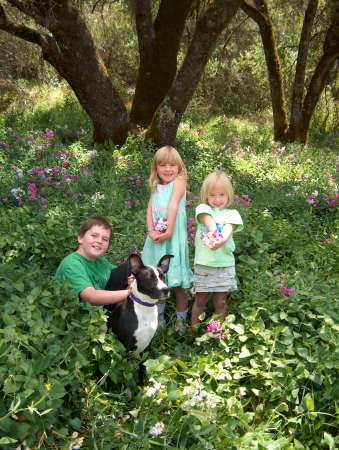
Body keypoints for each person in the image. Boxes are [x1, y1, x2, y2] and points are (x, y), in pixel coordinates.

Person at [142, 145, 193, 334]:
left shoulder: (179, 181)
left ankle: (181, 321)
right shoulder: (156, 185)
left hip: (173, 239)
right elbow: (149, 209)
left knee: (178, 284)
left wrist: (169, 231)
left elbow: (172, 206)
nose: (168, 169)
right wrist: (151, 231)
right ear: (156, 167)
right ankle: (160, 318)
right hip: (157, 238)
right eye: (163, 165)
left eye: (172, 165)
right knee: (158, 280)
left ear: (179, 167)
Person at [191, 170, 243, 328]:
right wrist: (215, 233)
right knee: (200, 301)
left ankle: (217, 332)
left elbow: (227, 230)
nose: (217, 199)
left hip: (224, 265)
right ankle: (193, 331)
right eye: (212, 195)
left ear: (229, 195)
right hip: (204, 265)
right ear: (206, 196)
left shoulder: (232, 214)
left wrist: (220, 240)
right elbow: (208, 222)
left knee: (220, 303)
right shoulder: (202, 209)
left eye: (221, 195)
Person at [55, 216, 133, 307]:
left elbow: (122, 275)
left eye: (105, 239)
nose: (99, 241)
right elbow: (91, 297)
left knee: (129, 268)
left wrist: (132, 280)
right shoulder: (72, 264)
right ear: (80, 238)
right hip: (79, 317)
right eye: (94, 236)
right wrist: (130, 293)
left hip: (99, 311)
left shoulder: (101, 262)